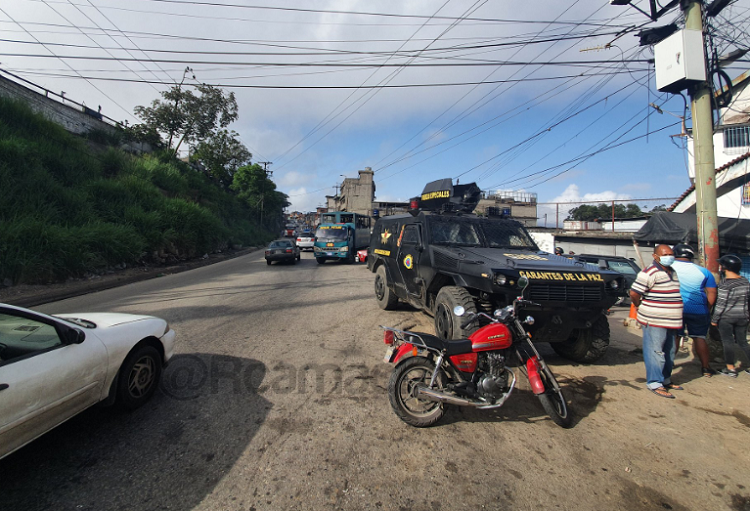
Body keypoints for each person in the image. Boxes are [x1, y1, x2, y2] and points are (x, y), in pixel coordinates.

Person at [630, 244, 684, 398]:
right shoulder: (649, 272)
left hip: (671, 321)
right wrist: (639, 305)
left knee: (670, 351)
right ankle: (655, 382)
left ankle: (665, 379)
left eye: (671, 254)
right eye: (666, 254)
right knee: (656, 351)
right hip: (654, 320)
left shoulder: (672, 272)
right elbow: (634, 293)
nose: (669, 256)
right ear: (655, 256)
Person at [670, 243, 718, 377]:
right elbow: (712, 293)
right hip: (698, 310)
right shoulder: (704, 271)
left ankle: (669, 363)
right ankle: (706, 368)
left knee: (675, 336)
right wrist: (706, 308)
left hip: (676, 309)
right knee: (699, 338)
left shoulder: (669, 268)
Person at [711, 254, 750, 377]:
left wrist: (714, 320)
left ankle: (730, 369)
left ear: (725, 267)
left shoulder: (724, 284)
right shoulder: (745, 281)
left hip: (727, 318)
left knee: (728, 342)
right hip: (743, 317)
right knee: (743, 342)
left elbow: (721, 305)